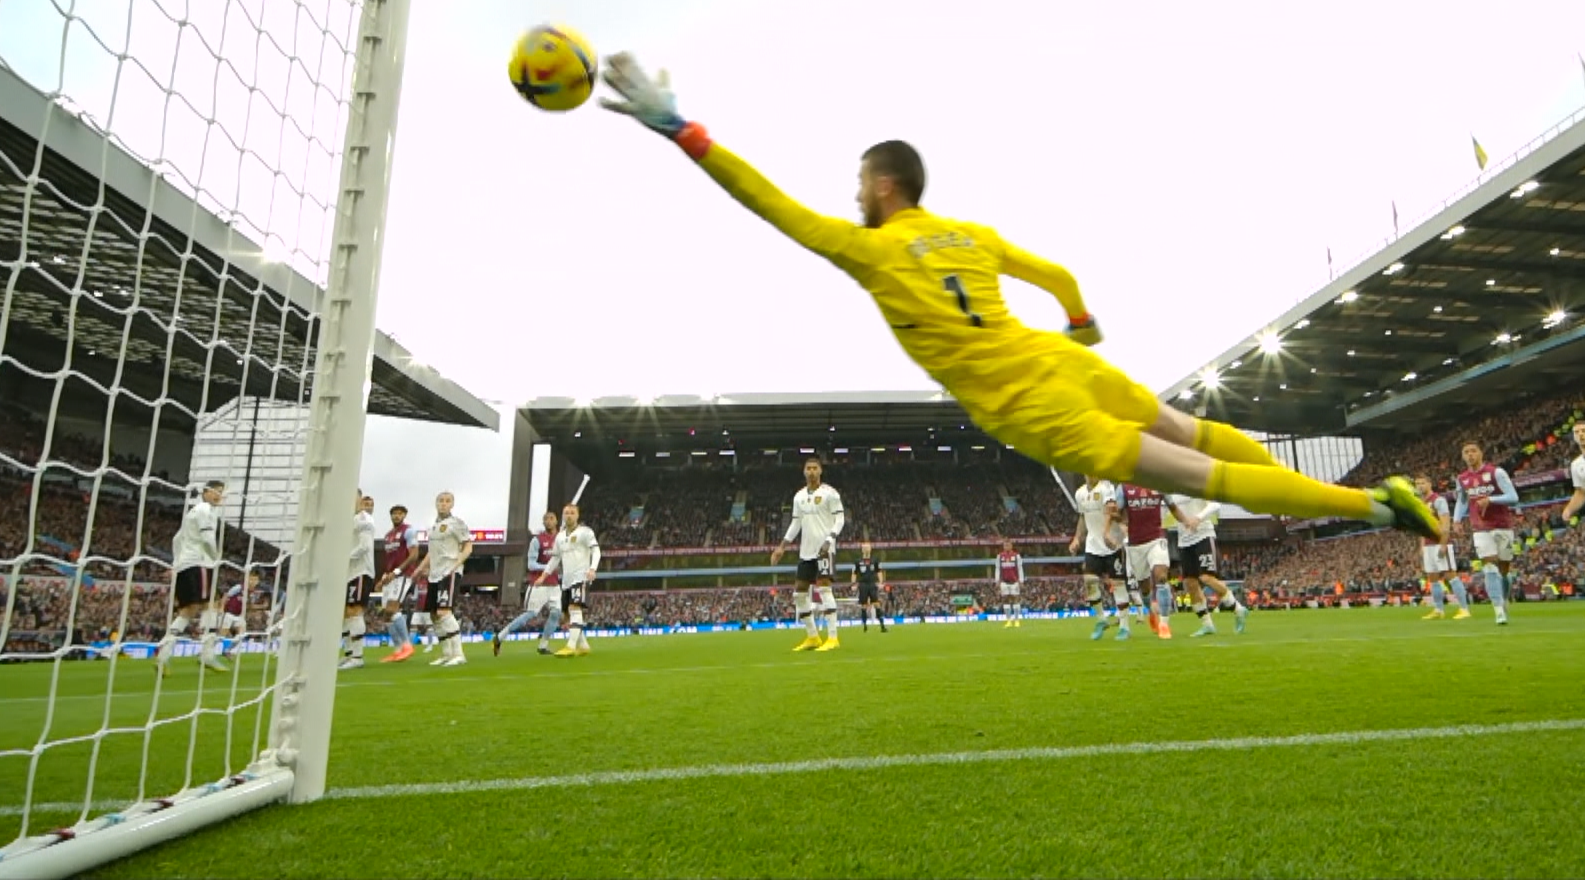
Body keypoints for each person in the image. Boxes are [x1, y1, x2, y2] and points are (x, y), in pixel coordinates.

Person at [596, 54, 1439, 542]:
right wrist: (1081, 328)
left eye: (860, 182)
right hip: (1058, 357)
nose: (853, 193)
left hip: (1032, 404)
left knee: (1203, 473)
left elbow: (768, 203)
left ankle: (1374, 504)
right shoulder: (970, 234)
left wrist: (681, 128)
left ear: (885, 187)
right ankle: (1374, 493)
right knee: (1195, 432)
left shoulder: (869, 247)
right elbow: (1060, 279)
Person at [771, 457, 845, 652]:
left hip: (824, 549)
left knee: (824, 589)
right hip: (806, 551)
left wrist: (830, 540)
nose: (811, 471)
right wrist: (782, 547)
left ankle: (833, 638)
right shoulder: (799, 497)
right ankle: (813, 637)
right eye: (808, 468)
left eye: (815, 468)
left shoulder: (830, 494)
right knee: (799, 593)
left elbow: (840, 519)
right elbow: (795, 524)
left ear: (820, 471)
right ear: (804, 472)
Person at [156, 480, 228, 677]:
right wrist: (215, 557)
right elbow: (207, 539)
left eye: (221, 492)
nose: (218, 495)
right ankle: (207, 654)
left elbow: (176, 539)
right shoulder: (206, 510)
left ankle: (163, 656)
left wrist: (177, 563)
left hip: (186, 564)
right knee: (212, 606)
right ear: (204, 493)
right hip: (199, 563)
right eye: (215, 491)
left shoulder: (192, 513)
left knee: (188, 611)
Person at [1453, 442, 1518, 625]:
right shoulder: (1462, 479)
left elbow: (1513, 497)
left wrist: (1491, 499)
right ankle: (1498, 610)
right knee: (1489, 567)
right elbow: (1462, 501)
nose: (1470, 455)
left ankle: (1503, 599)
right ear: (1463, 456)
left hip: (1502, 525)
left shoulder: (1496, 473)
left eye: (1473, 451)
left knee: (1504, 569)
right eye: (1466, 452)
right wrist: (1457, 520)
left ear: (1481, 453)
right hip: (1480, 528)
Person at [500, 510, 568, 656]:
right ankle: (500, 636)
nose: (549, 521)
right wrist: (549, 568)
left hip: (554, 585)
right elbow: (531, 564)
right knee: (530, 615)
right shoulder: (537, 540)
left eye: (551, 518)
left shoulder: (561, 540)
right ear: (543, 523)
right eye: (546, 519)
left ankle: (543, 645)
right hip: (538, 584)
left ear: (556, 521)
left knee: (556, 614)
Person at [1414, 476, 1468, 620]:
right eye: (1417, 483)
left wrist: (1443, 544)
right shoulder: (1419, 503)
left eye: (1422, 483)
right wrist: (1422, 546)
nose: (1419, 486)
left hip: (1440, 542)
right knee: (1432, 578)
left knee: (1451, 575)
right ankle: (1439, 609)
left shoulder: (1438, 500)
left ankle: (1464, 608)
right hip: (1429, 544)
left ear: (1429, 483)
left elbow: (1445, 523)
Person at [851, 542, 887, 633]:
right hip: (862, 585)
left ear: (870, 549)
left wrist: (881, 582)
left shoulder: (875, 560)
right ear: (862, 549)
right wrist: (853, 584)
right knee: (864, 605)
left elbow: (879, 572)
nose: (866, 549)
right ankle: (865, 626)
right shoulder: (857, 561)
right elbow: (854, 573)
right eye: (864, 547)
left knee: (876, 604)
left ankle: (882, 626)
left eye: (868, 547)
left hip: (872, 584)